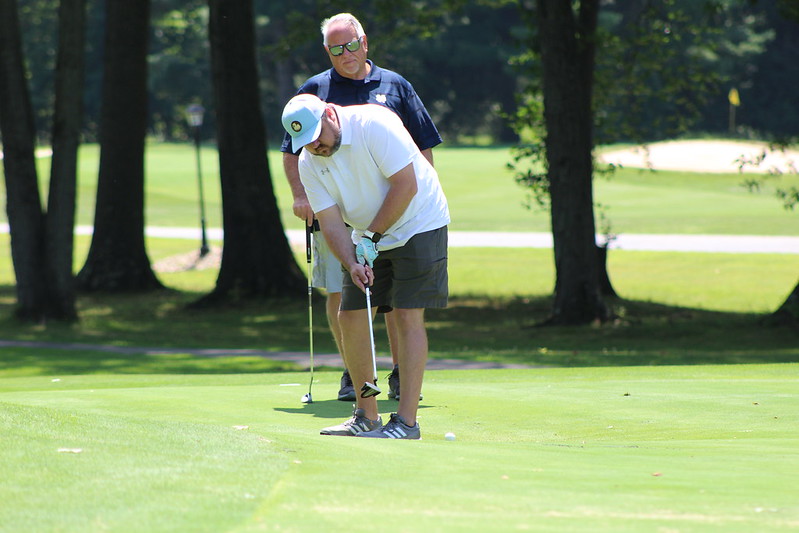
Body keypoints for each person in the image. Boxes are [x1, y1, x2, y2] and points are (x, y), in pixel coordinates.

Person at [280, 12, 441, 402]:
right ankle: (358, 384)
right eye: (337, 48)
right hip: (345, 213)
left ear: (364, 42)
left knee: (400, 308)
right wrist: (304, 198)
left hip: (403, 214)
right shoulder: (315, 91)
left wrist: (410, 208)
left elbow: (417, 158)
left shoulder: (392, 90)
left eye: (351, 44)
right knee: (347, 300)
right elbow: (293, 153)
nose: (346, 53)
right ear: (327, 51)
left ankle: (402, 389)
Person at [280, 93, 449, 439]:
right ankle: (367, 413)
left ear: (330, 114)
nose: (316, 148)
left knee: (405, 313)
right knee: (350, 315)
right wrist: (351, 262)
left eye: (318, 139)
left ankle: (406, 422)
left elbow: (407, 186)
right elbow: (329, 221)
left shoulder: (374, 125)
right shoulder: (309, 163)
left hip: (419, 222)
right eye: (307, 144)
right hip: (366, 234)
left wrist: (371, 237)